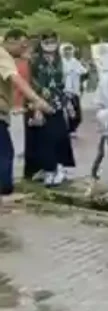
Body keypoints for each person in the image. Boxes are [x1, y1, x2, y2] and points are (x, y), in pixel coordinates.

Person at [0, 29, 52, 200]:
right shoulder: (2, 55)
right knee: (5, 153)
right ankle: (4, 191)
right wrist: (37, 100)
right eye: (22, 45)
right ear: (11, 41)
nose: (24, 49)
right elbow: (16, 80)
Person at [24, 32, 75, 187]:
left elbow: (64, 83)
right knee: (42, 137)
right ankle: (47, 168)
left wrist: (68, 103)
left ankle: (59, 167)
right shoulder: (34, 61)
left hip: (57, 102)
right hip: (39, 101)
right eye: (47, 41)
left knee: (58, 134)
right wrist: (36, 106)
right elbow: (32, 82)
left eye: (53, 41)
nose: (50, 44)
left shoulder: (61, 60)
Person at [60, 43, 86, 135]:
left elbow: (83, 71)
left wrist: (75, 71)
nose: (68, 52)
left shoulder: (75, 61)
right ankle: (68, 129)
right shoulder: (60, 62)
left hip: (75, 90)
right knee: (67, 110)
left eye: (69, 50)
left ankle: (73, 128)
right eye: (65, 50)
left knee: (76, 111)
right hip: (64, 90)